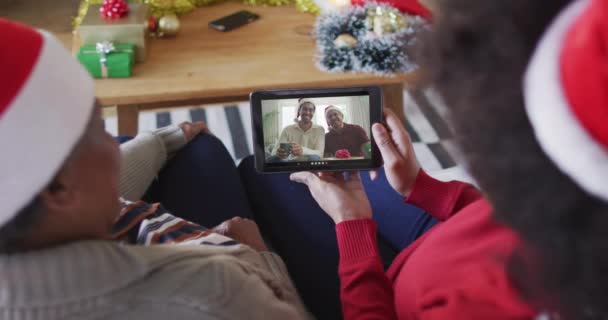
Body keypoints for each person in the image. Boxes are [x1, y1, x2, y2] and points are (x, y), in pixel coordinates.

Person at [287, 0, 608, 319]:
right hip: (436, 241)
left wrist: (352, 226)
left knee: (270, 176)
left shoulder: (487, 304)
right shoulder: (556, 201)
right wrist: (423, 187)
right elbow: (493, 216)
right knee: (299, 175)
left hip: (380, 294)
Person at [0, 19, 312, 320]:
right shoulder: (213, 293)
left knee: (197, 147)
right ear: (57, 188)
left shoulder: (29, 212)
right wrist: (259, 256)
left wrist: (159, 142)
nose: (114, 142)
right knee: (247, 169)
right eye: (98, 127)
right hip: (245, 271)